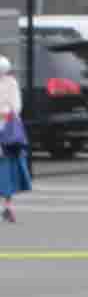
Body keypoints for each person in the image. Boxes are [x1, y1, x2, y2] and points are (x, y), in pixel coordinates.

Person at [0, 55, 28, 224]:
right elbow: (16, 108)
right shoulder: (12, 83)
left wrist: (5, 112)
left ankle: (8, 207)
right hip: (8, 133)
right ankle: (8, 207)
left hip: (6, 132)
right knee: (7, 171)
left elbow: (15, 108)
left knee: (7, 170)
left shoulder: (11, 83)